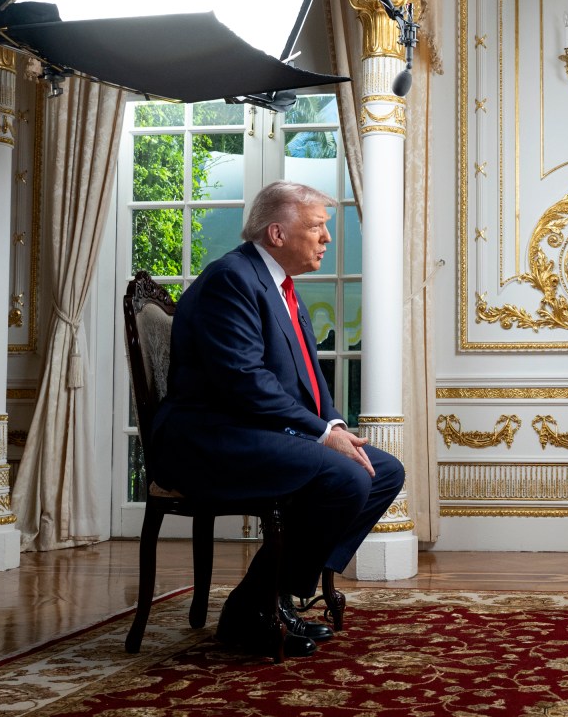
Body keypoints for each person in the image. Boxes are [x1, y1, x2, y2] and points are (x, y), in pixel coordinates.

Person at [150, 180, 405, 659]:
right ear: (277, 233)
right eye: (317, 227)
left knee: (384, 471)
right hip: (210, 440)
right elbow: (243, 380)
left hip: (251, 432)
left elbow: (309, 378)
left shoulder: (281, 285)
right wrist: (320, 434)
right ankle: (255, 609)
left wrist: (333, 425)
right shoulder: (232, 279)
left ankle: (272, 594)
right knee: (346, 477)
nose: (327, 238)